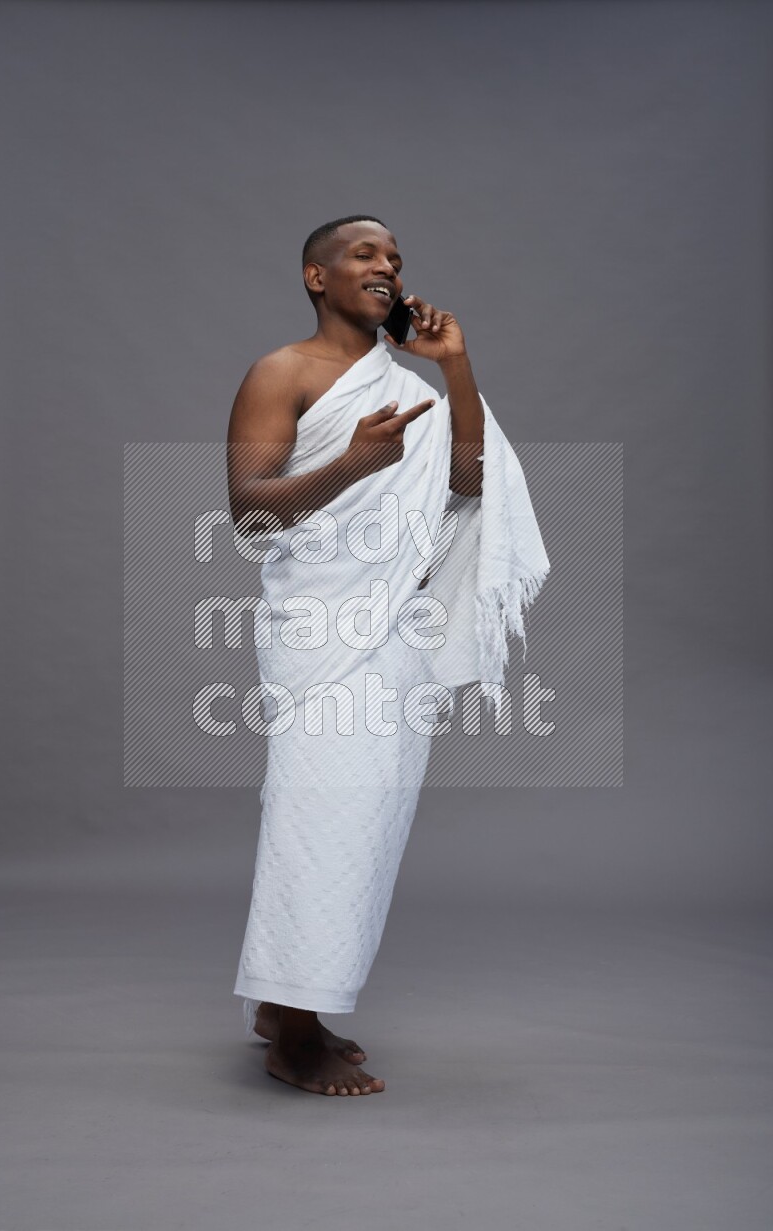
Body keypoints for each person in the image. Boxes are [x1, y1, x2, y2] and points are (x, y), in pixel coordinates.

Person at [226, 215, 548, 1097]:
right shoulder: (282, 373)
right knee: (320, 816)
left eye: (396, 259)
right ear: (315, 276)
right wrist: (354, 464)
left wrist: (453, 365)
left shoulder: (411, 387)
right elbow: (250, 513)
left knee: (365, 826)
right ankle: (293, 1031)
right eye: (365, 254)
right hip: (320, 633)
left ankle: (286, 1004)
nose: (387, 266)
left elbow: (471, 483)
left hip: (392, 638)